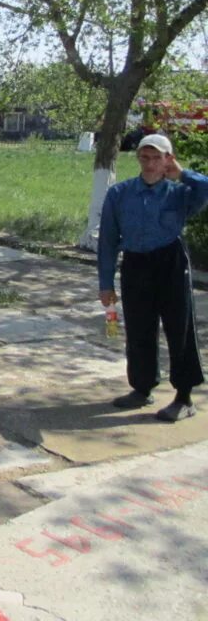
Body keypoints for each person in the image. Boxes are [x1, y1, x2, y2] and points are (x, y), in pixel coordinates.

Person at [98, 133, 208, 422]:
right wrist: (105, 283)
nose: (149, 164)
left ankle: (184, 397)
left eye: (157, 158)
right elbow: (108, 240)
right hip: (135, 263)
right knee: (139, 327)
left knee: (178, 328)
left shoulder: (180, 193)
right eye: (144, 157)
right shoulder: (120, 194)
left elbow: (205, 189)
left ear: (168, 160)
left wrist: (182, 174)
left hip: (170, 261)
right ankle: (142, 387)